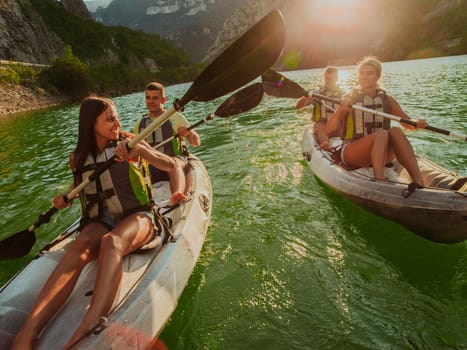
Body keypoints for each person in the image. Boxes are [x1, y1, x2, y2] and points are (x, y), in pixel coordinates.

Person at [11, 96, 178, 350]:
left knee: (112, 243)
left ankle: (89, 323)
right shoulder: (77, 158)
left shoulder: (130, 142)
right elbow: (80, 185)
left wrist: (142, 151)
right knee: (80, 246)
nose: (116, 122)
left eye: (116, 116)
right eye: (109, 118)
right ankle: (28, 331)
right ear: (91, 124)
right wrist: (65, 198)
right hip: (100, 219)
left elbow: (171, 164)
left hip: (139, 216)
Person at [320, 56, 427, 187]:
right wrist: (342, 109)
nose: (364, 77)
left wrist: (417, 122)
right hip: (353, 152)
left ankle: (418, 181)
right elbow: (330, 129)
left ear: (378, 76)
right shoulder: (350, 98)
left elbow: (408, 124)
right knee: (382, 134)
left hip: (383, 153)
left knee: (396, 131)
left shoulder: (388, 100)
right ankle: (380, 181)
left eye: (369, 73)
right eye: (361, 73)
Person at [135, 82, 201, 201]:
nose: (151, 101)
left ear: (163, 100)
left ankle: (177, 194)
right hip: (154, 163)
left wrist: (188, 133)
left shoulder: (175, 117)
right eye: (148, 98)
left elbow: (196, 143)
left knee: (174, 163)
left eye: (155, 98)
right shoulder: (140, 124)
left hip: (176, 160)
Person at [296, 66, 343, 145]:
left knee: (344, 127)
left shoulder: (343, 94)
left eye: (331, 79)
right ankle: (325, 143)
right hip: (322, 124)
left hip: (336, 125)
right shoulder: (316, 94)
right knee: (321, 126)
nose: (328, 81)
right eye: (327, 78)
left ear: (337, 78)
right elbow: (298, 107)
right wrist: (305, 98)